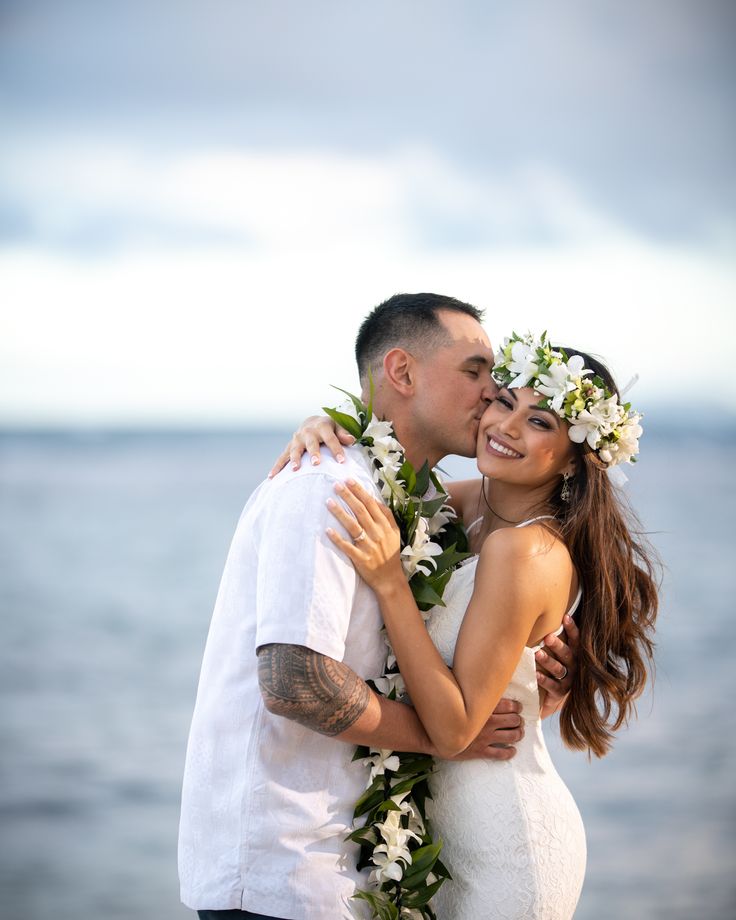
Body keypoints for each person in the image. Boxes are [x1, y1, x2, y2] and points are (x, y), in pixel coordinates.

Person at [178, 296, 577, 920]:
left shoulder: (422, 506)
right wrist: (450, 738)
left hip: (353, 868)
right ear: (402, 372)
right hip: (282, 870)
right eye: (475, 373)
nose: (492, 394)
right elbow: (294, 680)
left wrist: (536, 678)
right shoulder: (327, 488)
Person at [301, 331, 658, 918]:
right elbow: (382, 475)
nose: (507, 426)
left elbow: (454, 732)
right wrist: (320, 426)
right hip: (446, 838)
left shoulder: (526, 552)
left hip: (506, 840)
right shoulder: (469, 505)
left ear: (577, 455)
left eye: (540, 421)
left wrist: (391, 583)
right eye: (503, 401)